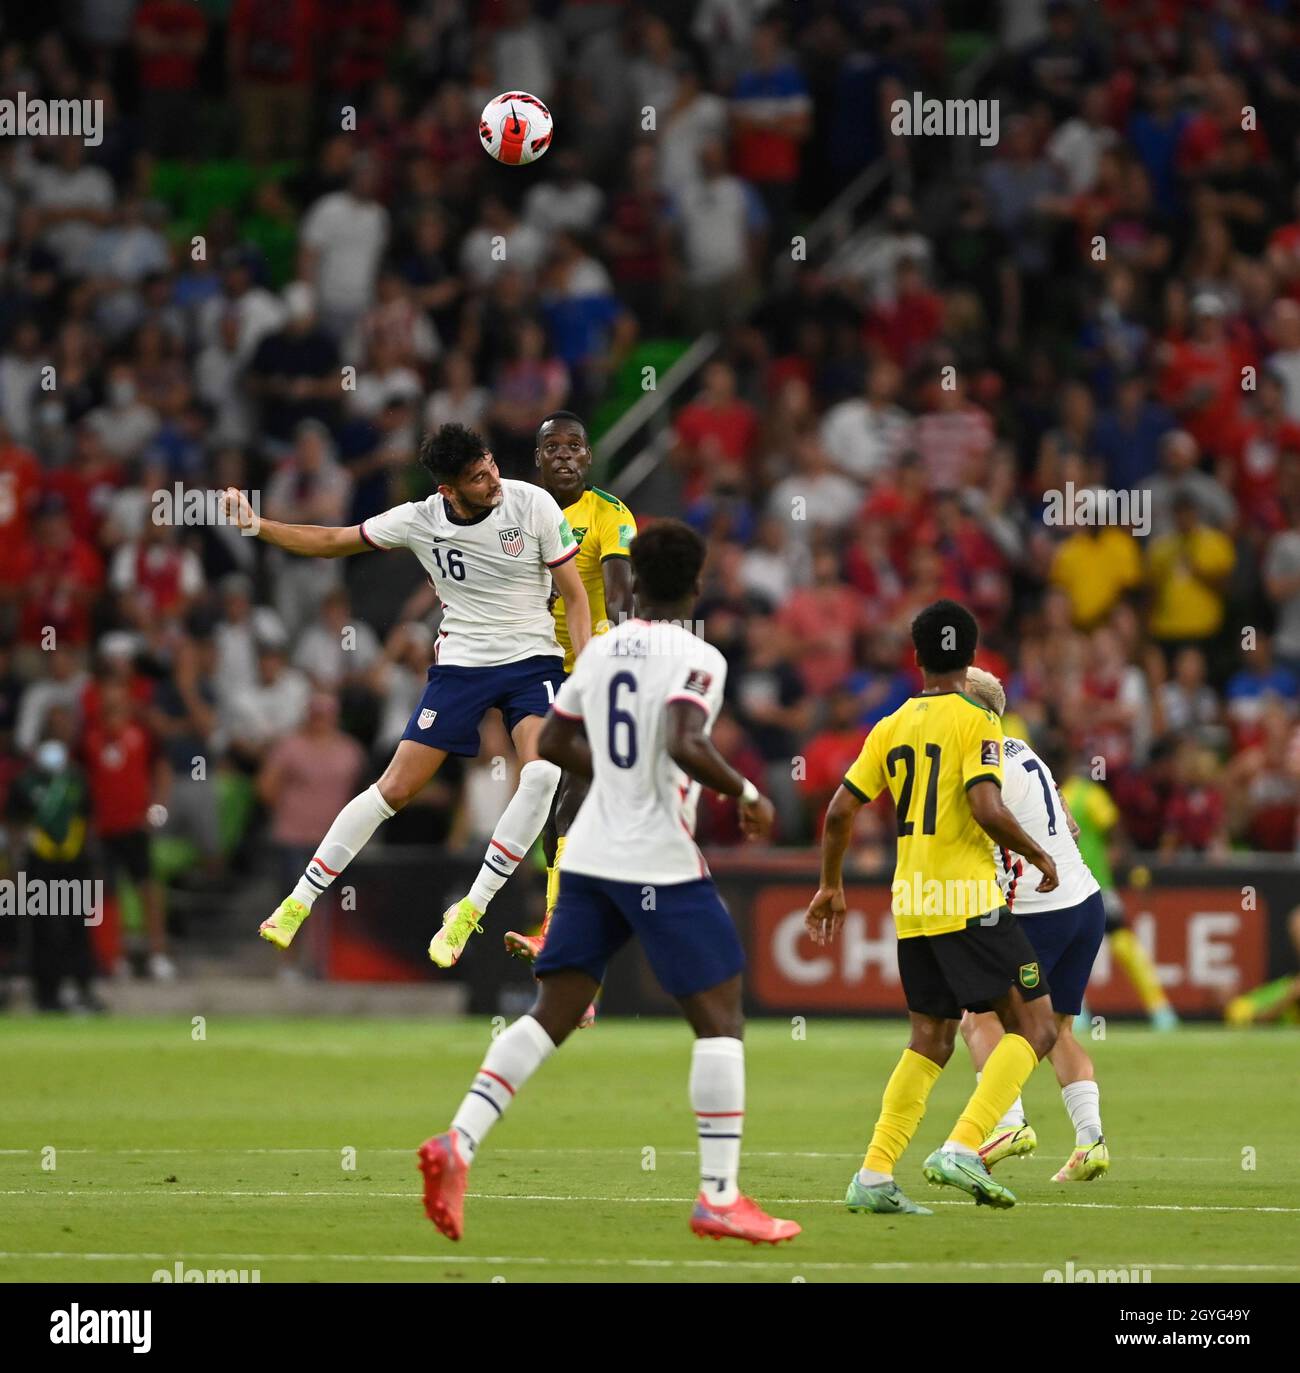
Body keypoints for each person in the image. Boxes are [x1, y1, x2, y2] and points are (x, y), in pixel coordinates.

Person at [416, 520, 799, 1247]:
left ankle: (458, 1141)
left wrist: (618, 771)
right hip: (656, 853)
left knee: (552, 1010)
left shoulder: (601, 650)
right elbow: (687, 740)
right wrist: (747, 792)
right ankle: (718, 1195)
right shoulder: (700, 656)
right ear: (695, 585)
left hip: (588, 851)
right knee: (720, 1015)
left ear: (638, 584)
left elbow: (556, 744)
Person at [219, 423, 591, 964]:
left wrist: (583, 676)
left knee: (542, 773)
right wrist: (257, 527)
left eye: (489, 466)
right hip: (461, 668)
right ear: (448, 489)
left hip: (531, 660)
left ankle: (470, 910)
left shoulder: (532, 504)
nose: (491, 480)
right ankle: (298, 902)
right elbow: (330, 542)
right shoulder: (418, 519)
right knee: (394, 789)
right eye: (476, 477)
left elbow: (575, 598)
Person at [806, 598, 1060, 1214]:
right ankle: (966, 1147)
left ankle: (872, 1175)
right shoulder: (980, 722)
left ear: (916, 657)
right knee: (1038, 1025)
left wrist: (831, 885)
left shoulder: (888, 725)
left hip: (913, 902)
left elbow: (841, 809)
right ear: (973, 658)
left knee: (931, 1038)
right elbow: (985, 807)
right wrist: (1040, 856)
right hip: (968, 899)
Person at [501, 414, 636, 1018]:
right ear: (537, 458)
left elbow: (620, 588)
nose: (563, 455)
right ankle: (572, 956)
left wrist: (614, 655)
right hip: (530, 665)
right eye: (551, 447)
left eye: (574, 446)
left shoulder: (611, 514)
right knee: (558, 796)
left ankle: (564, 942)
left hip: (591, 668)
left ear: (589, 457)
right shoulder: (517, 510)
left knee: (571, 794)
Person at [958, 669, 1111, 1183]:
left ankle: (1008, 1123)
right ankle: (1090, 1142)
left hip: (1037, 909)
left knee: (978, 1018)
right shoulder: (1022, 749)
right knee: (1055, 1031)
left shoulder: (978, 763)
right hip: (1086, 902)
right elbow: (1066, 817)